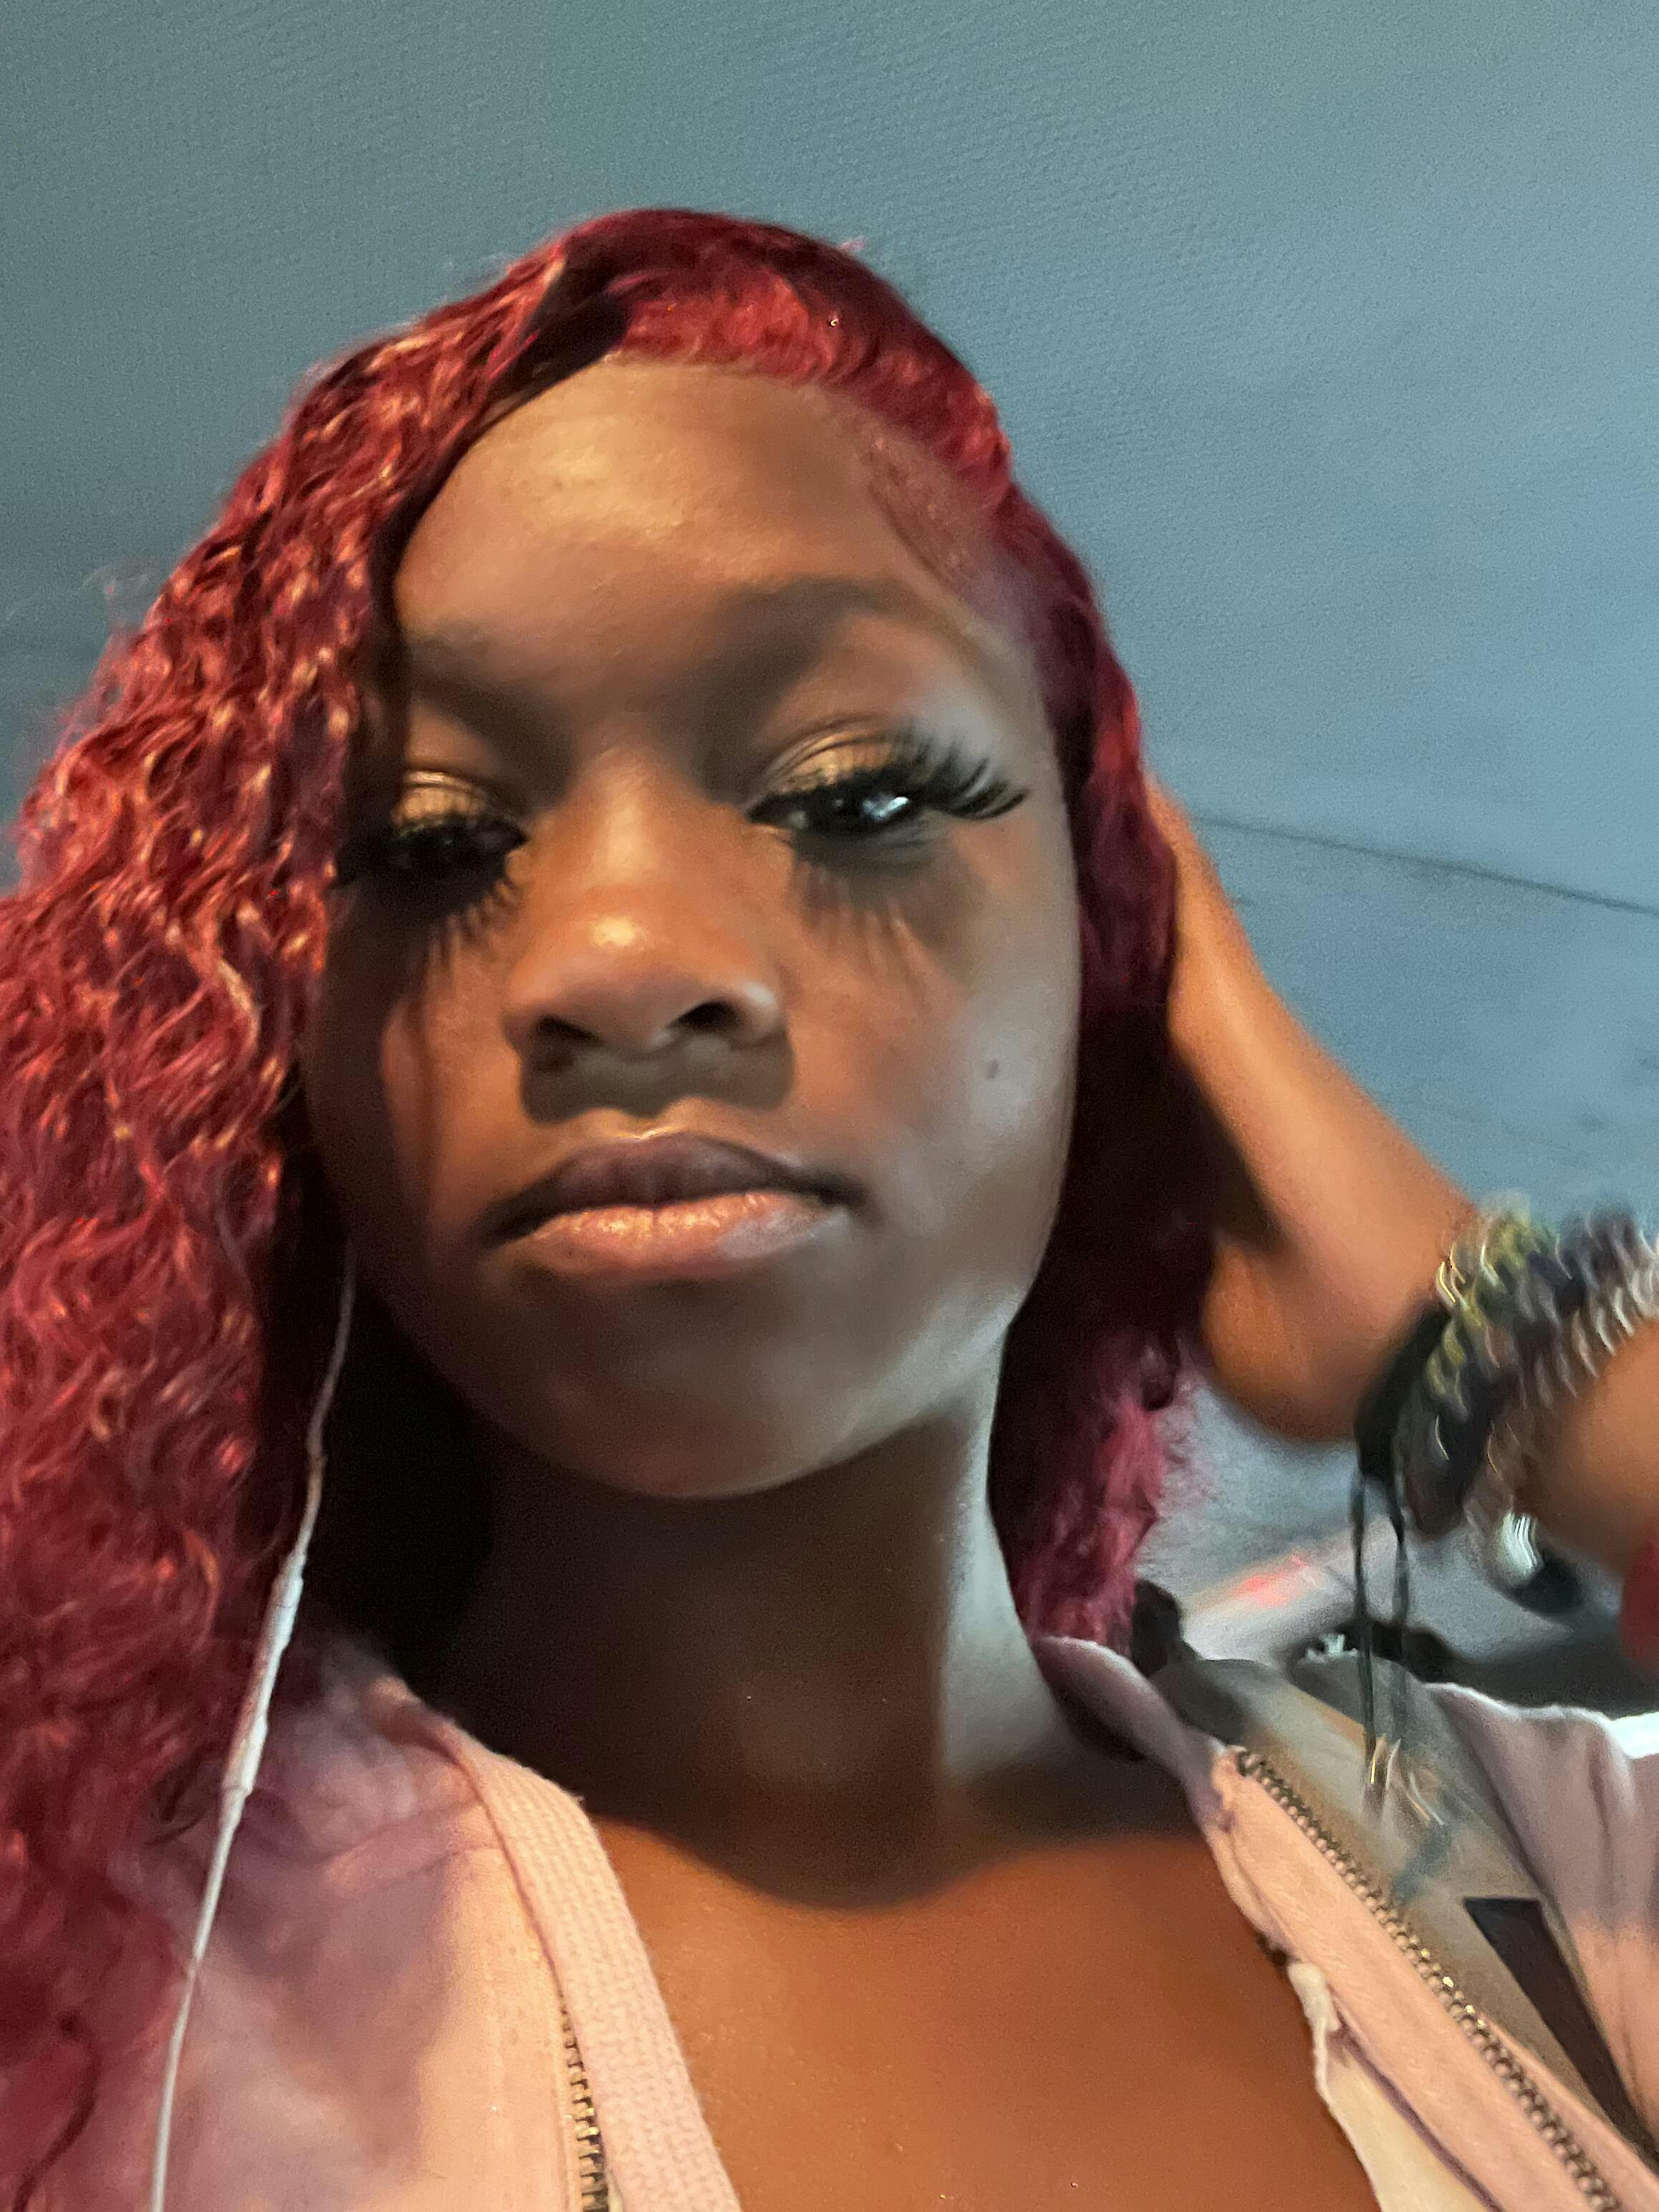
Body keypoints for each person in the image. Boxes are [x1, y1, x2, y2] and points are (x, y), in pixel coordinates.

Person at [0, 208, 1655, 2212]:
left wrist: (1488, 1342)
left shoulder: (1545, 1888)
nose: (621, 961)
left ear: (1110, 956)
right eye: (426, 846)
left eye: (859, 796)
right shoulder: (94, 2030)